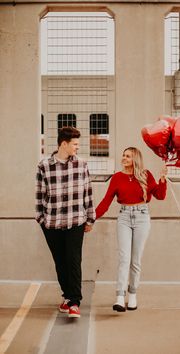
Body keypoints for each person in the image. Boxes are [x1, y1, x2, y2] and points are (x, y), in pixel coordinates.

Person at [95, 147, 167, 312]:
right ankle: (120, 297)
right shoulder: (117, 178)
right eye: (123, 155)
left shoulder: (146, 175)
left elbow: (160, 196)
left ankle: (132, 294)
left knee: (135, 260)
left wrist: (163, 178)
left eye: (128, 156)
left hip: (142, 217)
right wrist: (92, 218)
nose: (124, 158)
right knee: (124, 258)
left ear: (135, 159)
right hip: (124, 218)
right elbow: (106, 201)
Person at [35, 126, 95, 318]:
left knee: (73, 260)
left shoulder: (81, 164)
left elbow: (88, 192)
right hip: (51, 223)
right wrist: (41, 219)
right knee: (60, 262)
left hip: (75, 220)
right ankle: (67, 297)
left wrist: (90, 218)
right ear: (64, 144)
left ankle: (75, 302)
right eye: (75, 144)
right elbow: (39, 195)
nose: (78, 147)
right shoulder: (44, 166)